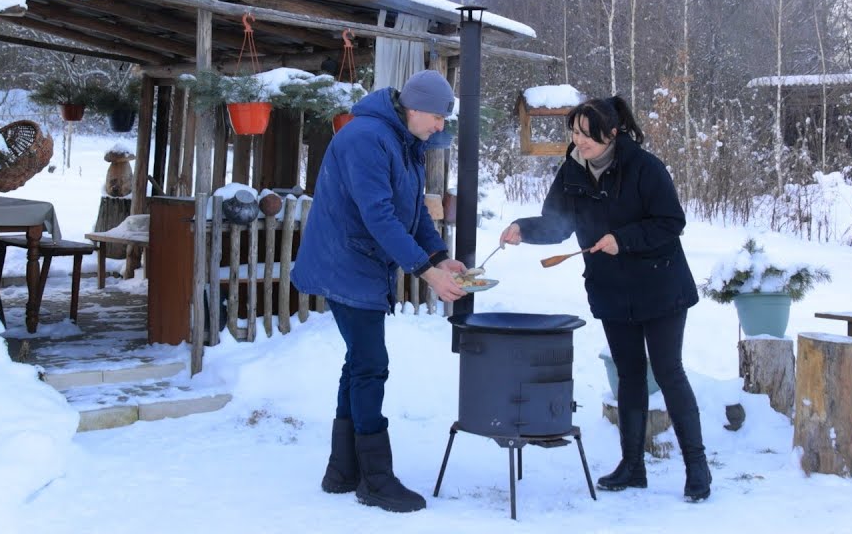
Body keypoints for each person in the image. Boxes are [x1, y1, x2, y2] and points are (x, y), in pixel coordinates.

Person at [498, 95, 712, 502]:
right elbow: (556, 225)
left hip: (659, 284)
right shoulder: (571, 172)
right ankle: (632, 466)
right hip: (611, 287)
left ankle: (696, 467)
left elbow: (671, 222)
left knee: (667, 371)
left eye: (586, 133)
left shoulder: (643, 167)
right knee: (628, 375)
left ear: (612, 133)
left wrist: (623, 240)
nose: (579, 141)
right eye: (574, 132)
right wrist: (522, 228)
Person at [291, 69, 468, 513]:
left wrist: (439, 255)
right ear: (413, 108)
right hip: (345, 262)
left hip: (361, 263)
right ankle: (375, 479)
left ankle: (341, 470)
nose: (441, 126)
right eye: (437, 117)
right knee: (371, 365)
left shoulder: (405, 142)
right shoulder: (367, 139)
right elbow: (380, 217)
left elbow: (414, 211)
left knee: (358, 363)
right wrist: (427, 273)